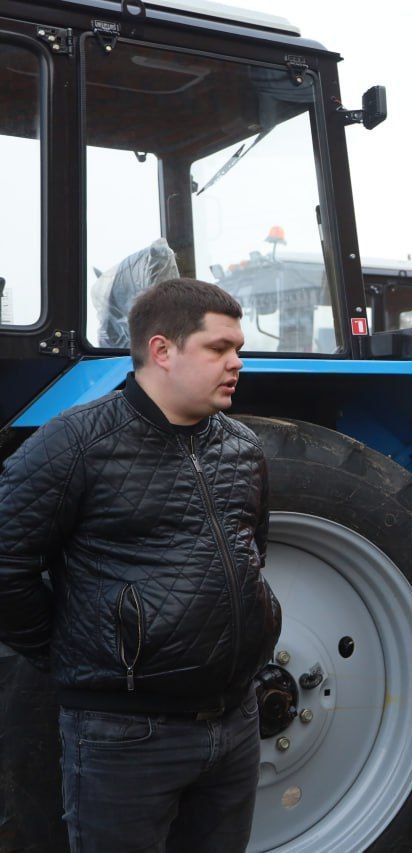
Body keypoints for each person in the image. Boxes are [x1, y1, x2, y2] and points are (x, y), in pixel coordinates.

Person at [0, 278, 280, 852]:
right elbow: (5, 566)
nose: (236, 364)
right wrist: (73, 650)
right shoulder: (74, 444)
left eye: (239, 350)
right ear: (162, 350)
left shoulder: (243, 448)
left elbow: (252, 552)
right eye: (218, 348)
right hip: (125, 735)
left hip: (235, 723)